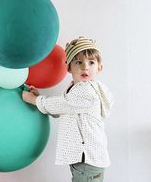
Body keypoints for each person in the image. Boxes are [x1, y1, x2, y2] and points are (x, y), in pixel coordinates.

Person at [22, 36, 114, 182]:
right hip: (84, 158)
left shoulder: (86, 90)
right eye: (79, 62)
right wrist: (40, 97)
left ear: (99, 67)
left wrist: (34, 100)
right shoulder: (74, 89)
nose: (85, 67)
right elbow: (63, 107)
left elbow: (63, 104)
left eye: (91, 62)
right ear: (69, 68)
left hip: (87, 159)